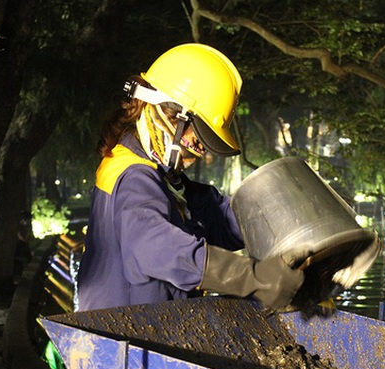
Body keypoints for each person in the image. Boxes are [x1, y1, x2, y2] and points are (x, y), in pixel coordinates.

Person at [76, 43, 306, 316]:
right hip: (122, 343)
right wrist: (252, 277)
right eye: (198, 137)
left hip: (155, 328)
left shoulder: (165, 179)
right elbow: (156, 248)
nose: (200, 150)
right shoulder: (134, 176)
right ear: (168, 115)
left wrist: (287, 224)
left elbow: (217, 218)